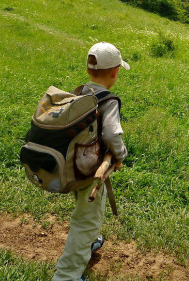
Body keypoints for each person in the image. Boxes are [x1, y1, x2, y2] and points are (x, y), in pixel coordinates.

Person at [53, 42, 129, 281]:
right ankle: (66, 276)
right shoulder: (108, 99)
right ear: (115, 72)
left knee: (89, 210)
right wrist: (121, 154)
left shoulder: (80, 91)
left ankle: (91, 242)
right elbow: (111, 134)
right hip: (90, 168)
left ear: (89, 70)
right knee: (85, 220)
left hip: (73, 164)